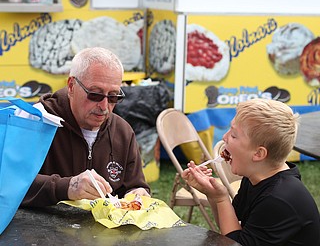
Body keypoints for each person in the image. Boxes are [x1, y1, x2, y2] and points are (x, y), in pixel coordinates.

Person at [21, 47, 150, 207]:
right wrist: (67, 188)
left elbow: (136, 185)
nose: (104, 106)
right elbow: (10, 183)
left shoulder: (122, 131)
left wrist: (138, 194)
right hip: (38, 229)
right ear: (71, 86)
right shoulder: (35, 121)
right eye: (95, 94)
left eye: (113, 96)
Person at [182, 98, 320, 246]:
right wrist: (214, 196)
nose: (224, 137)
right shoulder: (256, 176)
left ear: (259, 154)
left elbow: (235, 244)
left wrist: (221, 199)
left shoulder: (278, 199)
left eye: (234, 135)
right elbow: (232, 228)